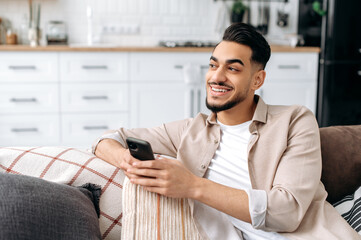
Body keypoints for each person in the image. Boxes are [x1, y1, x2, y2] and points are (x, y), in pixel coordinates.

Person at [92, 23, 359, 239]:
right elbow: (107, 139)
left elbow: (286, 212)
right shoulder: (191, 130)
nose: (217, 77)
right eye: (213, 65)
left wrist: (192, 186)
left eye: (232, 68)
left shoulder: (294, 120)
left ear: (257, 79)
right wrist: (126, 161)